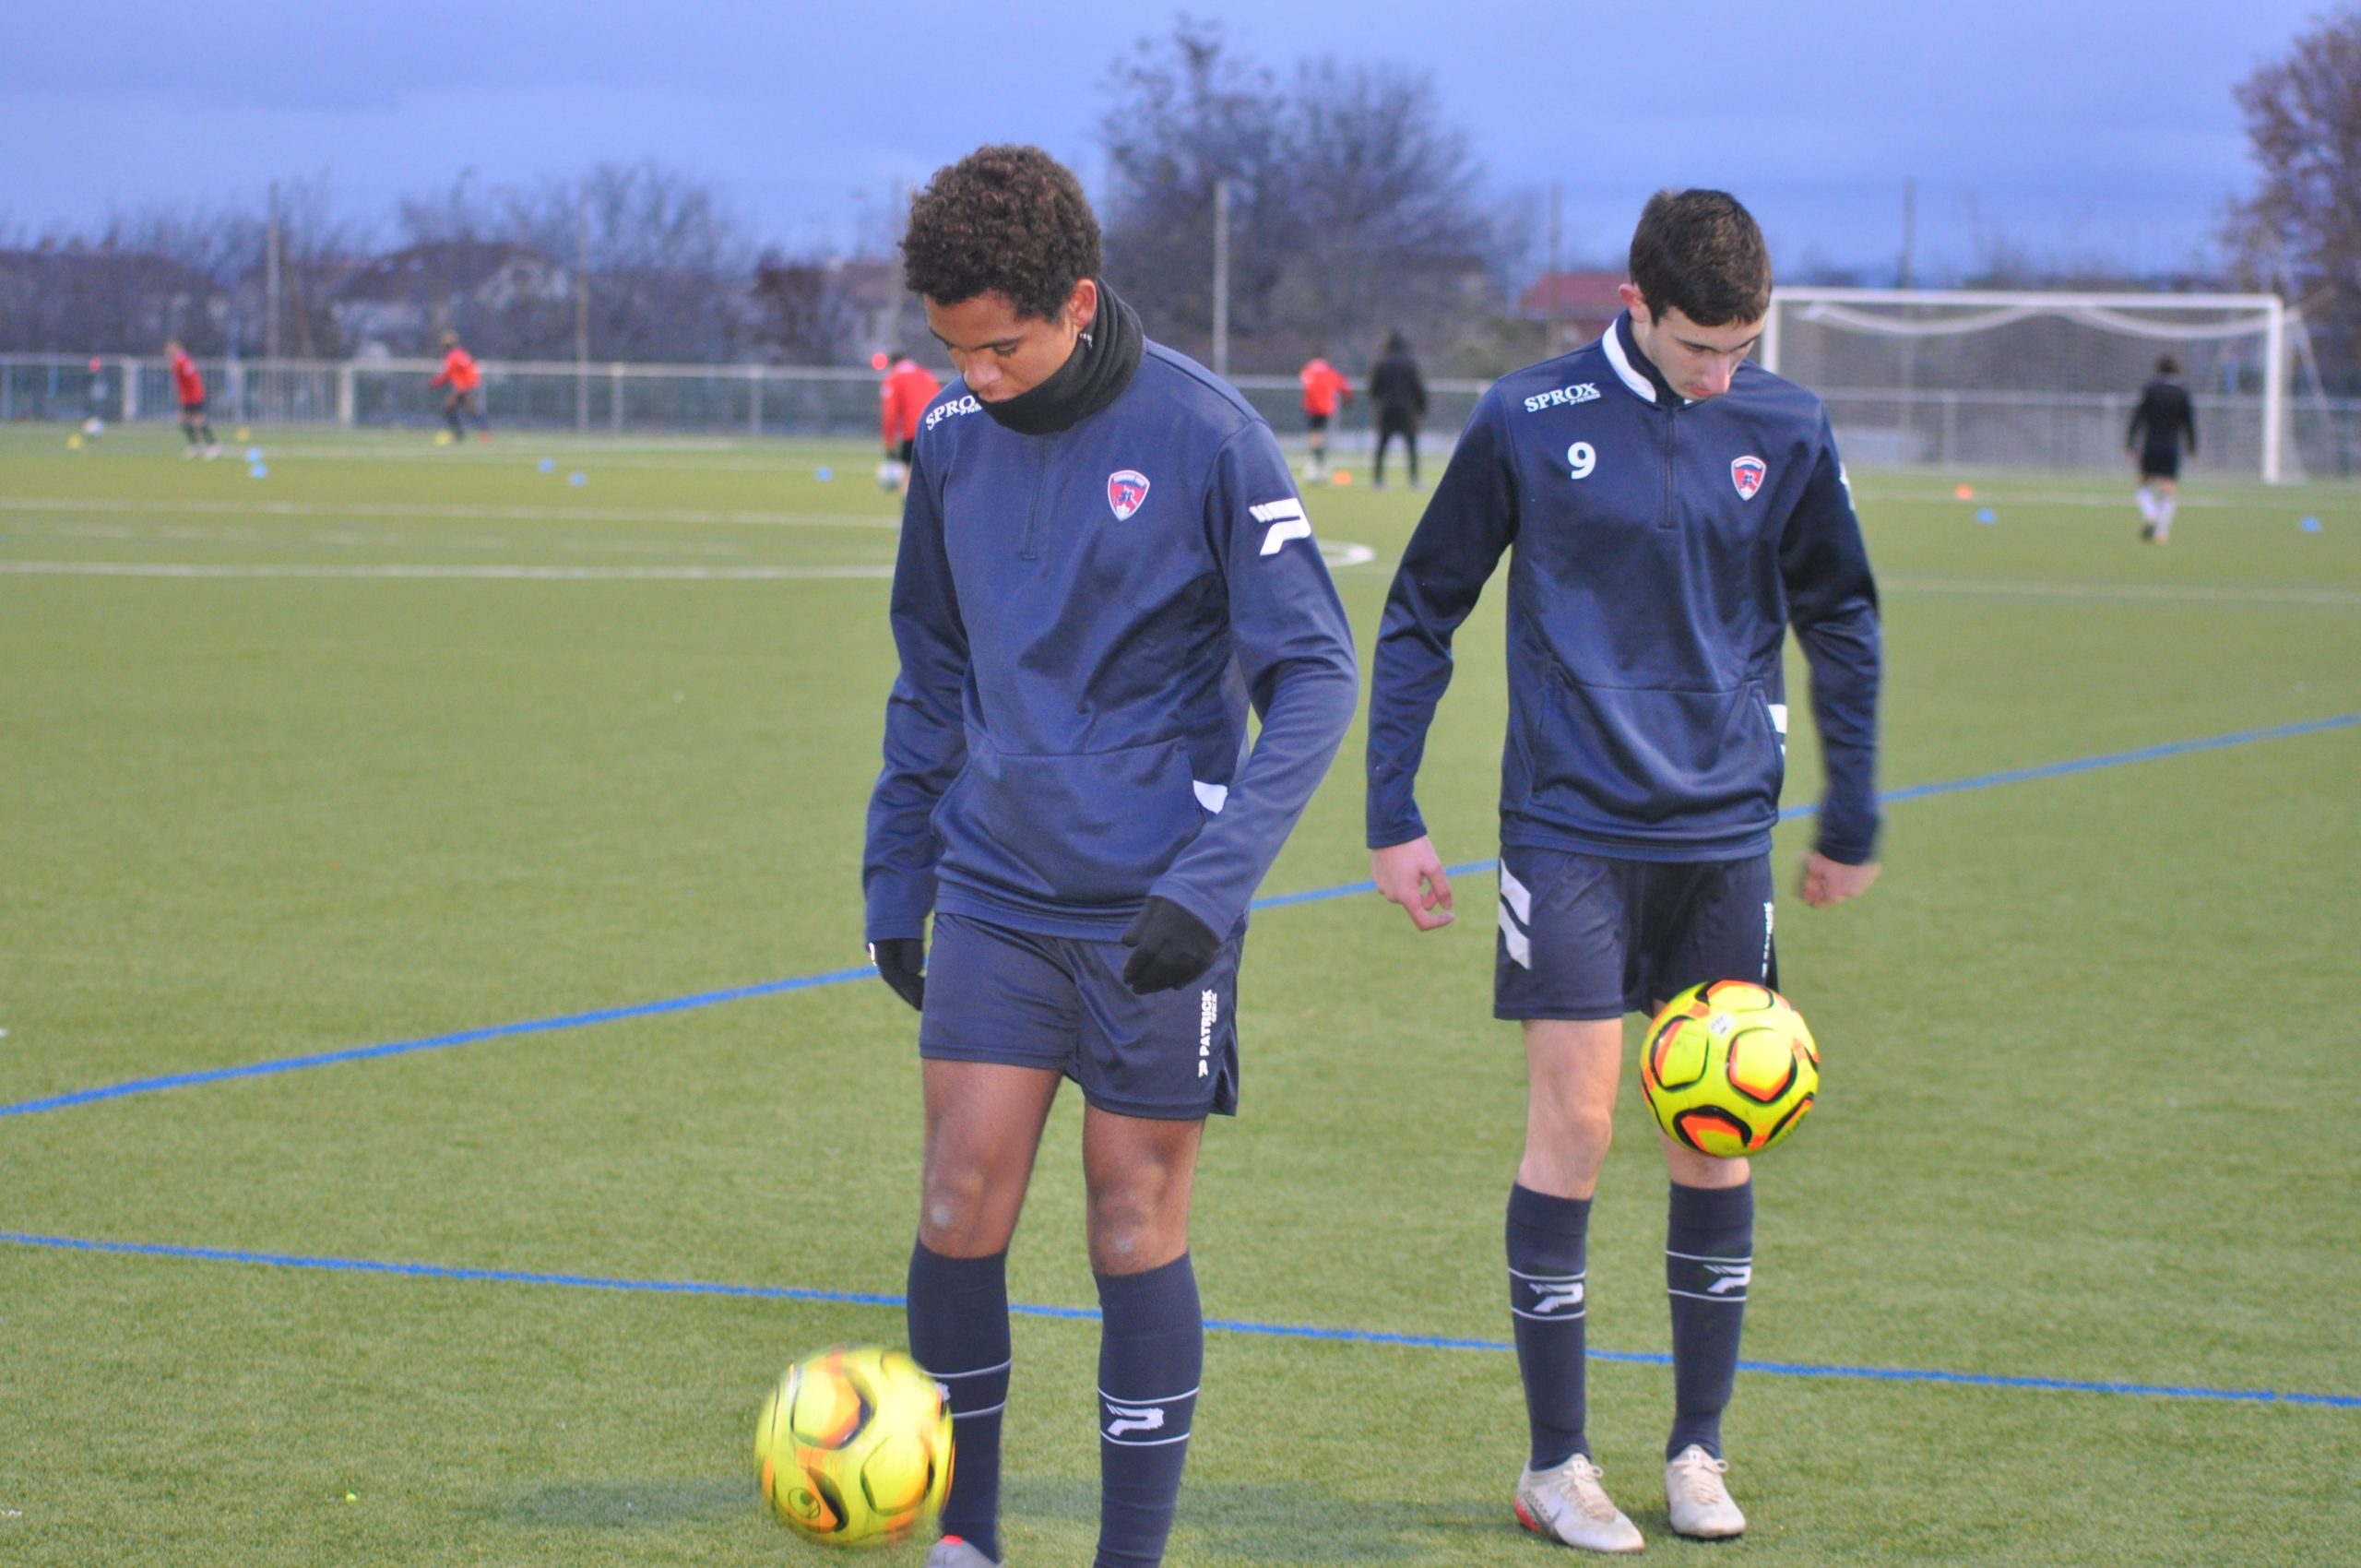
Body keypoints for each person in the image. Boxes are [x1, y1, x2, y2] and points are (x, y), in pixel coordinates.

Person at [1364, 188, 1881, 1553]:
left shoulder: (1786, 425)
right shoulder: (1527, 421)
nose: (1724, 373)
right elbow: (1423, 610)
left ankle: (1699, 1452)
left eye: (1745, 345)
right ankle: (1555, 1466)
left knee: (1718, 1134)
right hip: (1571, 827)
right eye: (1701, 345)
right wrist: (1392, 807)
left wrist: (1855, 810)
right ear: (1635, 307)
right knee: (1581, 1132)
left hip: (1724, 841)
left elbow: (1843, 616)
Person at [862, 144, 1358, 1568]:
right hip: (1000, 893)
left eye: (1000, 346)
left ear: (1077, 302)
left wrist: (1211, 886)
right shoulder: (950, 441)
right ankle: (968, 1539)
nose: (975, 378)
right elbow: (932, 669)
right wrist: (899, 869)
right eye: (952, 351)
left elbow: (1316, 675)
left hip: (1158, 908)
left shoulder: (1207, 435)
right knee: (960, 1197)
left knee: (1131, 1217)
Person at [2127, 354, 2197, 543]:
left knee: (2143, 483)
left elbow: (2137, 417)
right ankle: (2161, 532)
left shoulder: (2149, 389)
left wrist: (2130, 442)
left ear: (2158, 370)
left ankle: (2151, 513)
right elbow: (2189, 422)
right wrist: (2192, 446)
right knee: (2168, 487)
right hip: (2172, 446)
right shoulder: (2182, 392)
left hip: (2151, 443)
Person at [1369, 330, 1428, 490]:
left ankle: (1378, 480)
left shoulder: (1381, 362)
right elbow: (1417, 387)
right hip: (1407, 409)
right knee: (1411, 445)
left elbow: (1373, 387)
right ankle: (1414, 480)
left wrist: (1377, 403)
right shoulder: (1409, 363)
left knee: (1382, 445)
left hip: (1386, 409)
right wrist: (1422, 407)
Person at [879, 349, 943, 493]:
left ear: (892, 365)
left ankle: (910, 513)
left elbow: (890, 414)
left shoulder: (894, 378)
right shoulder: (927, 375)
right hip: (937, 431)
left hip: (912, 432)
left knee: (908, 479)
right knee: (933, 479)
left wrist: (889, 444)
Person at [1298, 350, 1352, 481]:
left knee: (1315, 437)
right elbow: (1344, 386)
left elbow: (1308, 386)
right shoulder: (1330, 371)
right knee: (1320, 436)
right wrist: (1347, 400)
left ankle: (1317, 465)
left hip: (1312, 408)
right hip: (1326, 409)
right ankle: (1320, 465)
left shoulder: (1308, 371)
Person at [428, 331, 488, 444]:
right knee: (451, 408)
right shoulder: (461, 354)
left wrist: (433, 383)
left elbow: (446, 375)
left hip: (467, 387)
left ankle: (478, 433)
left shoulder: (453, 357)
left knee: (469, 410)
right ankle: (462, 433)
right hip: (468, 386)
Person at [167, 340, 221, 459]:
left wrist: (194, 396)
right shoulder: (177, 362)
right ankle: (196, 445)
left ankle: (213, 445)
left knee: (198, 420)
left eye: (171, 349)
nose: (169, 352)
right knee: (183, 420)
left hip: (194, 396)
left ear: (178, 348)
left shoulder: (184, 362)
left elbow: (193, 379)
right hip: (187, 397)